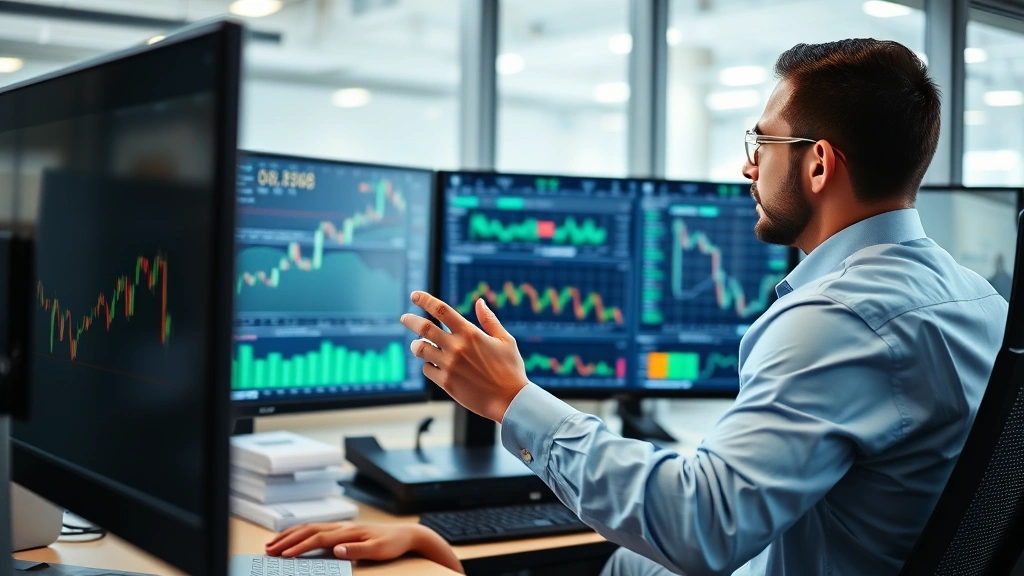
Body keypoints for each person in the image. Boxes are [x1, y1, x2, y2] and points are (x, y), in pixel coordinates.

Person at [265, 39, 1009, 575]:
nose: (748, 164)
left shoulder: (838, 320)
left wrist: (512, 399)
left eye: (763, 141)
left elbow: (703, 529)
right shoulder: (976, 298)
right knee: (626, 564)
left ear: (817, 163)